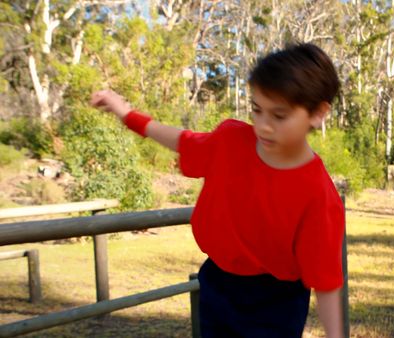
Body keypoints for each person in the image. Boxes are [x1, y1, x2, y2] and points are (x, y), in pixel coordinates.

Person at [90, 43, 345, 338]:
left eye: (279, 115)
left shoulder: (318, 195)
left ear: (318, 113)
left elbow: (326, 282)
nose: (263, 126)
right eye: (257, 110)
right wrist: (126, 114)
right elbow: (182, 140)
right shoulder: (231, 141)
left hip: (276, 306)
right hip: (217, 286)